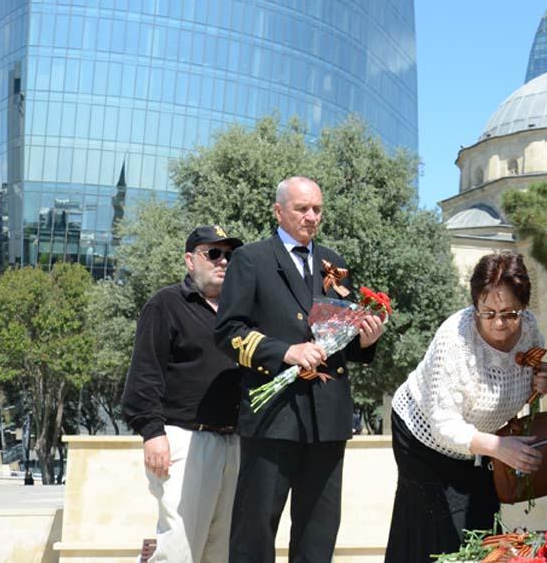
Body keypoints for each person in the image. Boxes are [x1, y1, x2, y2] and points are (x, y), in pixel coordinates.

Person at [215, 176, 385, 563]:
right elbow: (227, 333)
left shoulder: (334, 264)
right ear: (279, 211)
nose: (311, 217)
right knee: (255, 529)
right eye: (302, 208)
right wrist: (285, 352)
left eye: (317, 209)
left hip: (328, 417)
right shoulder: (252, 259)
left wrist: (366, 340)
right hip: (273, 417)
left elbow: (341, 339)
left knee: (318, 533)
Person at [384, 252, 547, 562]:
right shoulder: (455, 338)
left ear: (523, 306)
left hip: (486, 443)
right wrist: (497, 446)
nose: (500, 323)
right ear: (475, 304)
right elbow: (444, 425)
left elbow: (526, 379)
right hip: (423, 436)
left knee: (484, 525)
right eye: (488, 313)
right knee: (434, 532)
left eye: (509, 313)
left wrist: (540, 383)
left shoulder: (529, 330)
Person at [121, 225, 244, 563]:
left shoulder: (241, 312)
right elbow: (144, 374)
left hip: (234, 442)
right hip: (185, 441)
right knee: (179, 550)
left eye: (230, 256)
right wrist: (152, 433)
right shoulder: (166, 304)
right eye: (213, 253)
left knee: (220, 552)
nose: (223, 261)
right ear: (190, 260)